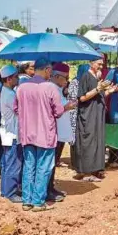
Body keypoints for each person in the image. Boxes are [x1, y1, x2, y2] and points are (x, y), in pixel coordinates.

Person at [14, 58, 76, 212]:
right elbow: (58, 111)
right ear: (47, 69)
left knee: (29, 166)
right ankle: (38, 201)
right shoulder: (50, 88)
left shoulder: (22, 87)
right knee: (43, 167)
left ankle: (26, 200)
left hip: (27, 133)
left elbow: (16, 109)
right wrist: (66, 107)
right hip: (45, 134)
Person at [75, 58, 117, 182]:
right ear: (91, 63)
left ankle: (96, 169)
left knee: (98, 140)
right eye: (98, 64)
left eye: (102, 64)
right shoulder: (85, 76)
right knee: (89, 140)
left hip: (98, 113)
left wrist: (109, 91)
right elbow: (82, 98)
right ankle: (87, 171)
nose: (100, 66)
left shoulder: (97, 77)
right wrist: (98, 89)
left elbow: (99, 96)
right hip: (88, 115)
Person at [47, 62, 73, 201]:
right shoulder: (51, 89)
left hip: (60, 133)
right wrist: (67, 107)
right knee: (50, 163)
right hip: (54, 133)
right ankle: (47, 189)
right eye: (65, 78)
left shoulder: (58, 89)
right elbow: (54, 111)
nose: (67, 81)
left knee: (54, 162)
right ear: (57, 76)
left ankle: (51, 188)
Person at [0, 65, 22, 203]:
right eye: (15, 77)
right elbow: (20, 111)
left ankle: (5, 190)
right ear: (8, 79)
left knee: (8, 164)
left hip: (7, 133)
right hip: (12, 133)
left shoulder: (6, 91)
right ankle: (11, 192)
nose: (18, 79)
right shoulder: (10, 95)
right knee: (14, 164)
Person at [68, 64, 90, 175]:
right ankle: (74, 162)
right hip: (73, 112)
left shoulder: (83, 82)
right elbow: (74, 97)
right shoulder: (74, 82)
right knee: (74, 138)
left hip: (81, 112)